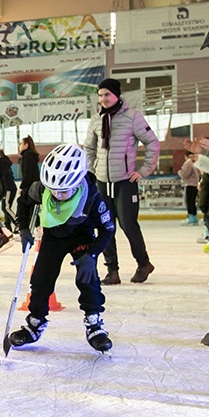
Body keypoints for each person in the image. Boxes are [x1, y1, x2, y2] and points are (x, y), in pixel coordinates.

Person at [9, 143, 116, 353]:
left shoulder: (92, 197)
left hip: (81, 236)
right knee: (41, 279)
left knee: (88, 279)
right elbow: (23, 202)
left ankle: (94, 323)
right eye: (53, 191)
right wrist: (23, 229)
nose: (57, 195)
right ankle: (35, 323)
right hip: (52, 236)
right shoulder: (42, 188)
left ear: (76, 184)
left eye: (63, 191)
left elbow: (108, 229)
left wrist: (92, 254)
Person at [84, 77, 160, 284]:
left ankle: (144, 263)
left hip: (125, 181)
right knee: (105, 226)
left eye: (107, 94)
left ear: (117, 95)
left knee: (128, 224)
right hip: (101, 181)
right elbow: (89, 148)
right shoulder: (96, 119)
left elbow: (152, 143)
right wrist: (93, 170)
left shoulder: (132, 117)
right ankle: (112, 271)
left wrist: (144, 170)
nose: (103, 99)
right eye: (100, 96)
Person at [178, 152, 201, 226]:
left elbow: (185, 174)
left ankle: (191, 217)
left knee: (189, 202)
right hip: (196, 184)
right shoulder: (196, 162)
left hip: (190, 184)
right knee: (193, 202)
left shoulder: (188, 163)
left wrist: (179, 172)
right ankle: (194, 217)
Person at [18, 136, 40, 200]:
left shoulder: (27, 156)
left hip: (29, 188)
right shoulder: (31, 156)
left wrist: (22, 187)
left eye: (21, 144)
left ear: (26, 145)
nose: (19, 146)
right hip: (34, 187)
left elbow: (27, 173)